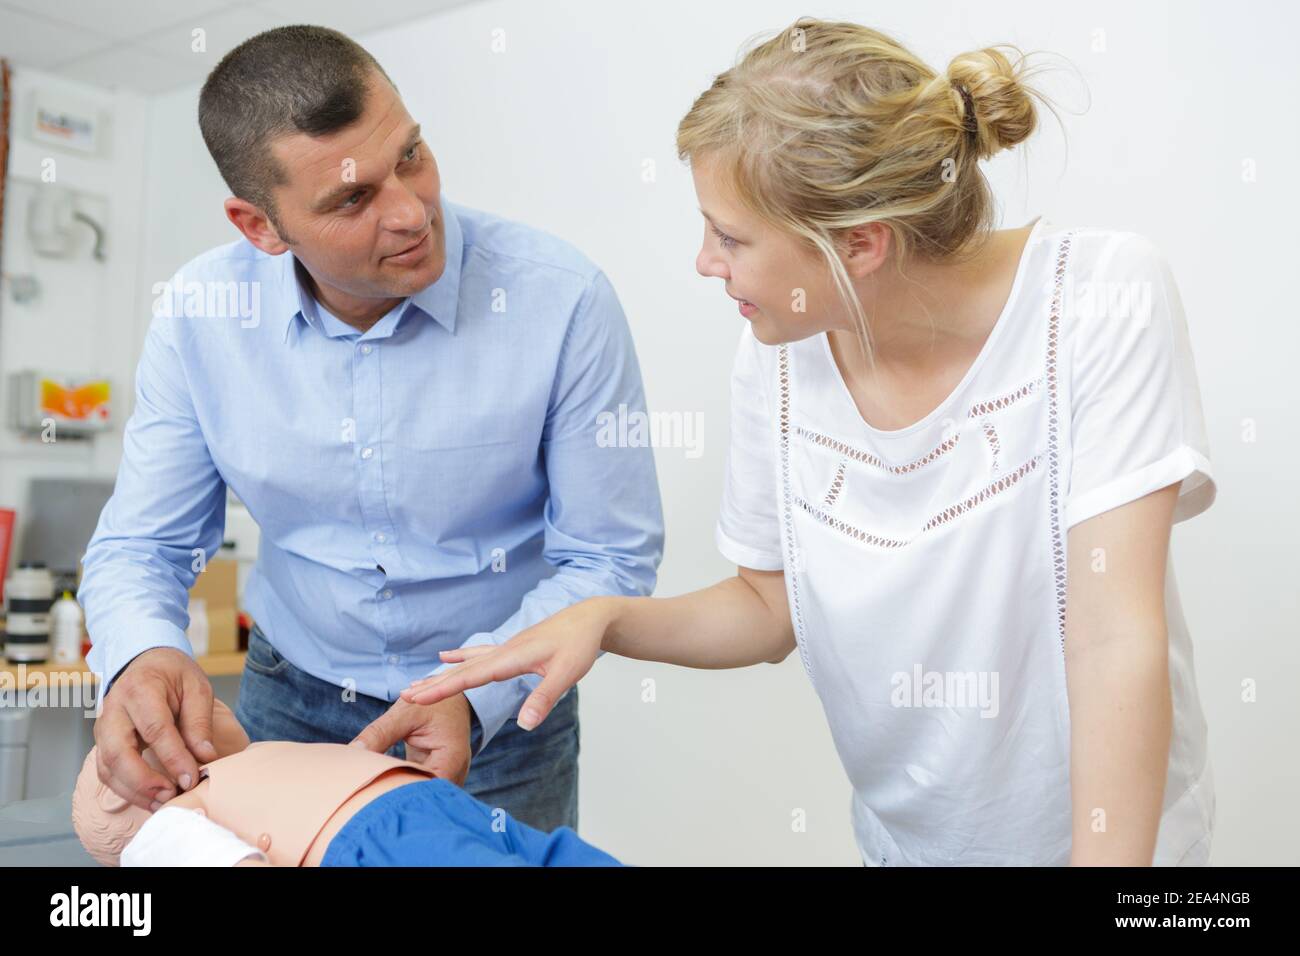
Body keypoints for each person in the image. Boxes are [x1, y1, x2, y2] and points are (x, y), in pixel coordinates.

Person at [401, 18, 1218, 866]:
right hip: (906, 845)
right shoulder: (779, 356)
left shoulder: (1098, 298)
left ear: (859, 244)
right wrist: (607, 619)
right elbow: (769, 608)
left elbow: (1113, 636)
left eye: (731, 236)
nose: (705, 263)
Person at [77, 25, 663, 834]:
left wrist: (475, 695)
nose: (412, 212)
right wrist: (139, 655)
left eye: (412, 156)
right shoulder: (199, 316)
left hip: (501, 718)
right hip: (288, 696)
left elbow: (608, 556)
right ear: (260, 227)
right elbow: (142, 545)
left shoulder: (561, 300)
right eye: (353, 199)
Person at [71, 701, 621, 867]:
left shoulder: (258, 750)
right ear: (134, 786)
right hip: (374, 844)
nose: (180, 699)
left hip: (432, 804)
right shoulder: (169, 828)